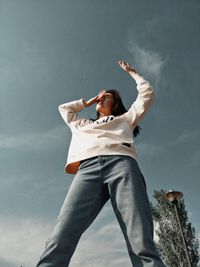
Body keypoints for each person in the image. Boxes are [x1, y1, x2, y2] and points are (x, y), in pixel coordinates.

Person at [36, 61, 165, 267]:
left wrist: (132, 73)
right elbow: (64, 109)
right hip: (87, 170)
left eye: (108, 97)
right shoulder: (82, 124)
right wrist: (87, 102)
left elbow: (147, 94)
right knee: (62, 232)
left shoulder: (125, 119)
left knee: (139, 235)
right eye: (101, 96)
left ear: (114, 104)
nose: (103, 98)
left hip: (121, 165)